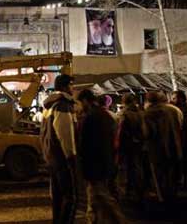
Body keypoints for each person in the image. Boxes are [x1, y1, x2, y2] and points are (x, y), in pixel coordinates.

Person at [77, 89, 127, 224]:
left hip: (95, 165)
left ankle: (118, 220)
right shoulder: (105, 116)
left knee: (100, 197)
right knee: (95, 199)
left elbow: (87, 144)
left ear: (86, 100)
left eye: (81, 102)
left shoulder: (91, 117)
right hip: (105, 162)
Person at [41, 74, 77, 224]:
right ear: (64, 87)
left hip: (51, 157)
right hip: (62, 158)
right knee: (71, 197)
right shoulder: (62, 105)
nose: (73, 89)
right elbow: (65, 135)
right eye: (71, 85)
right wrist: (72, 157)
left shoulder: (49, 106)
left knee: (57, 196)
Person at [143, 91, 182, 203]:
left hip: (156, 149)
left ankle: (162, 198)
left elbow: (147, 133)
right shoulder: (171, 111)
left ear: (148, 101)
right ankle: (171, 195)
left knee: (158, 174)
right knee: (170, 173)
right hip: (172, 146)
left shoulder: (148, 114)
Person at [118, 94, 145, 201]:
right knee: (137, 165)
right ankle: (139, 189)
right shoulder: (140, 113)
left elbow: (121, 130)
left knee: (128, 167)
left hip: (127, 144)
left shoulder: (125, 114)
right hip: (139, 143)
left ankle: (129, 189)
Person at [171, 90, 187, 189]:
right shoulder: (177, 109)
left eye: (174, 98)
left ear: (180, 98)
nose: (172, 100)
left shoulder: (183, 109)